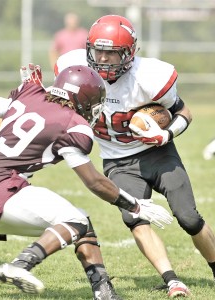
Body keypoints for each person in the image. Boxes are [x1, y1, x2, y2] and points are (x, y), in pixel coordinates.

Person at [54, 14, 215, 298]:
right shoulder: (74, 69)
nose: (103, 59)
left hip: (157, 152)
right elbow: (56, 106)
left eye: (112, 53)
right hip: (117, 161)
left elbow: (184, 112)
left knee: (189, 218)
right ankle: (171, 280)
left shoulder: (151, 77)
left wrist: (166, 134)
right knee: (135, 219)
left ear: (129, 53)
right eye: (98, 51)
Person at [0, 64, 173, 300]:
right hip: (1, 189)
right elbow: (94, 182)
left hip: (2, 189)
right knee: (73, 221)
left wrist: (25, 92)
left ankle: (104, 293)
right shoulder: (73, 124)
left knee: (82, 222)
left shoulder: (30, 95)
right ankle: (20, 265)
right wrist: (136, 206)